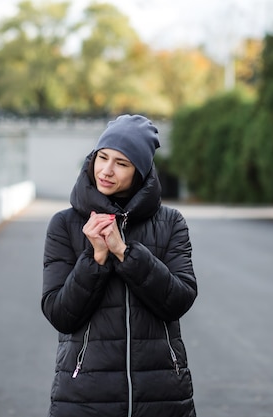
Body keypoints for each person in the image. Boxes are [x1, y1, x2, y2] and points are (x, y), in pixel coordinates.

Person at [41, 114, 198, 417]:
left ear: (140, 173)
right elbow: (60, 314)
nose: (106, 171)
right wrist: (95, 258)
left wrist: (125, 253)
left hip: (161, 394)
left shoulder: (171, 223)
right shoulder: (65, 224)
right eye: (102, 158)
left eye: (122, 164)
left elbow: (178, 300)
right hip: (83, 396)